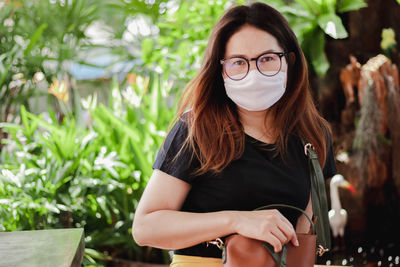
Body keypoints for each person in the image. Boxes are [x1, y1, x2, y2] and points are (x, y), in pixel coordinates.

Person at [132, 2, 337, 266]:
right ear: (221, 70)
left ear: (290, 60)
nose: (254, 73)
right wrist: (236, 220)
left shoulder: (313, 135)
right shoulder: (196, 130)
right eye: (238, 62)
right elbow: (145, 228)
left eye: (267, 59)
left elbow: (303, 233)